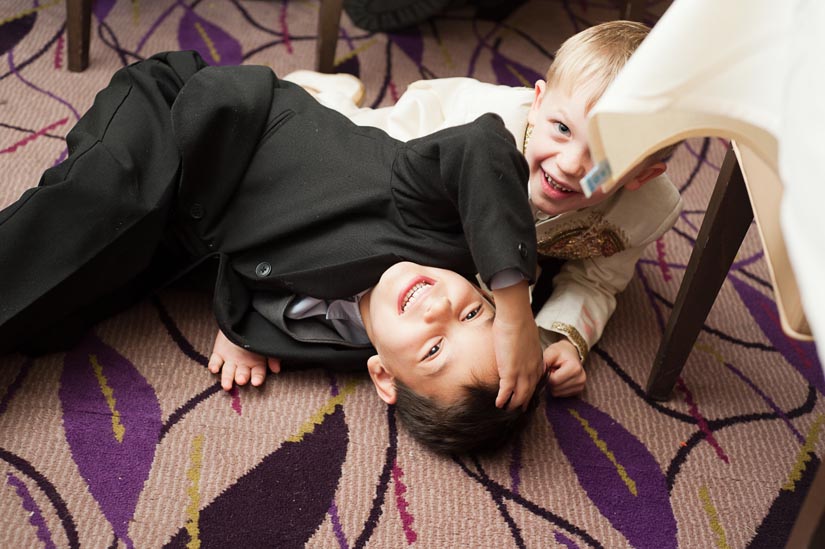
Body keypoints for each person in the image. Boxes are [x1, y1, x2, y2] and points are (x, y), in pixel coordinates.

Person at [0, 50, 546, 452]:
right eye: (474, 311)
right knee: (95, 213)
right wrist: (517, 311)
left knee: (62, 314)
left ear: (384, 377)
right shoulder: (431, 223)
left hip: (190, 237)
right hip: (193, 123)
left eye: (432, 350)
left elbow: (279, 280)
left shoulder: (348, 346)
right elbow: (483, 145)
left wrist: (241, 330)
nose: (438, 310)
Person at [284, 20, 683, 397]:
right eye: (562, 129)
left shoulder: (643, 213)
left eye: (606, 156)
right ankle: (322, 93)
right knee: (331, 143)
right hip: (414, 151)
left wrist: (560, 339)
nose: (570, 164)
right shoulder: (488, 134)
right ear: (538, 104)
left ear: (642, 175)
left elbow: (597, 280)